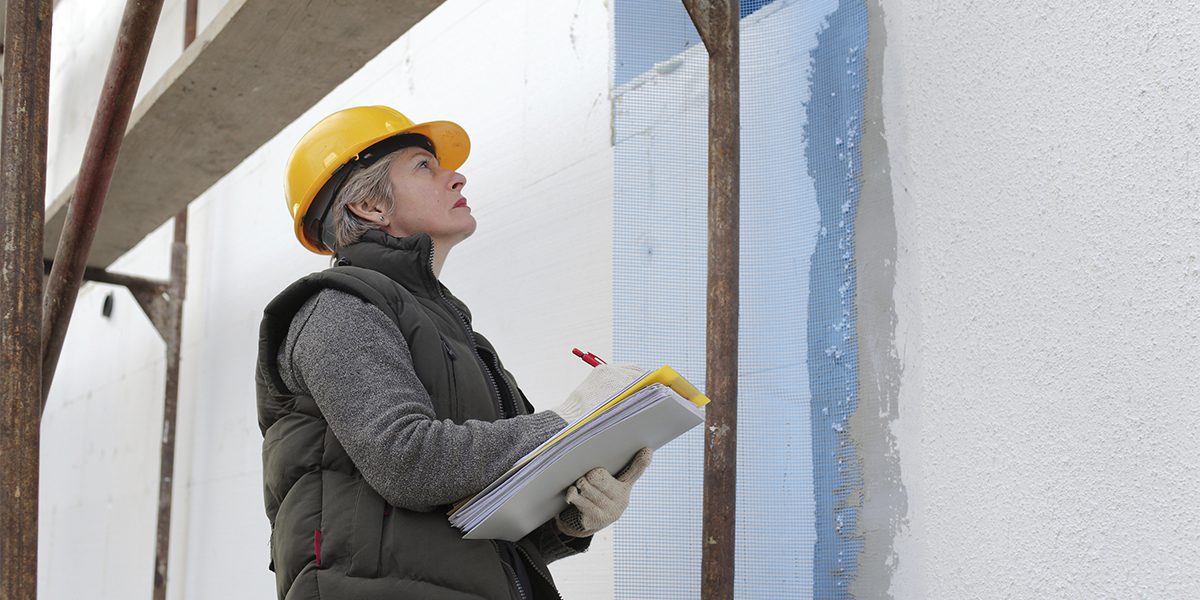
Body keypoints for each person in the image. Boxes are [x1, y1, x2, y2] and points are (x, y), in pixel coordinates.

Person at [255, 105, 652, 599]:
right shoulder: (339, 307)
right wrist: (570, 422)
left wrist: (571, 520)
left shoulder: (461, 338)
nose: (458, 178)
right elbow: (406, 462)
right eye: (425, 166)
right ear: (369, 207)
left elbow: (487, 537)